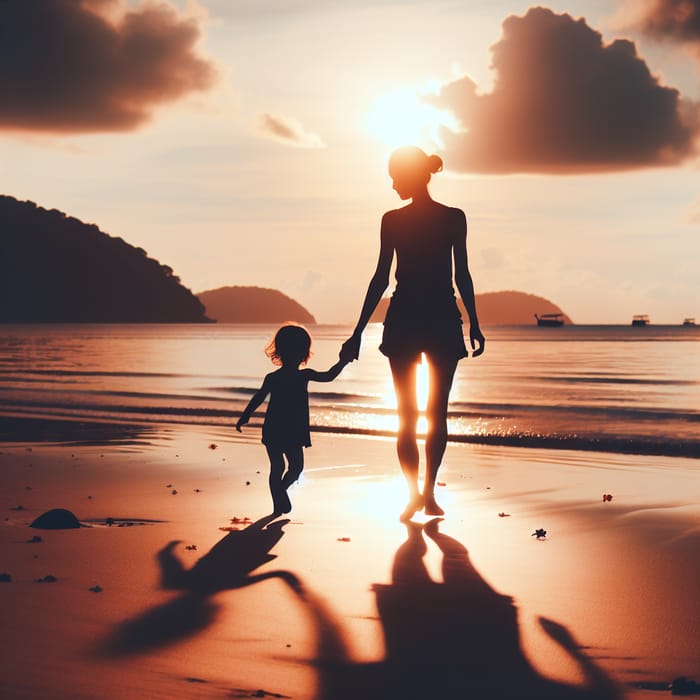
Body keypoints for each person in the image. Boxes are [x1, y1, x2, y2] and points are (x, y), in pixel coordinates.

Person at [340, 146, 485, 521]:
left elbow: (385, 279)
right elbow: (457, 276)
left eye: (395, 177)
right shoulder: (444, 217)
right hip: (434, 318)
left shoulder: (415, 219)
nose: (391, 185)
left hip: (410, 317)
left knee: (413, 414)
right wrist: (357, 330)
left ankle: (422, 494)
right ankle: (422, 494)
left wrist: (475, 321)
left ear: (414, 176)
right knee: (433, 414)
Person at [237, 324, 349, 515]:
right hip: (278, 429)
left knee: (295, 468)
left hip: (291, 430)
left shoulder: (303, 375)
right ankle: (277, 503)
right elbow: (259, 397)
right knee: (280, 466)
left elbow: (329, 376)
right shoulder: (274, 378)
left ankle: (280, 492)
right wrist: (245, 415)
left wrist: (343, 362)